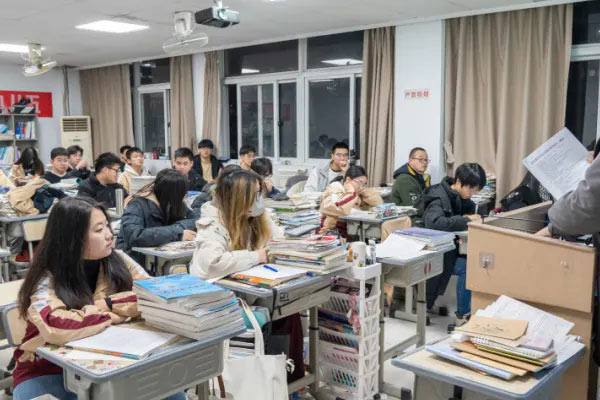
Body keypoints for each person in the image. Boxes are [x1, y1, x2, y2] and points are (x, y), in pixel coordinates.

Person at [11, 196, 185, 400]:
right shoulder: (46, 275)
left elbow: (155, 294)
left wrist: (108, 303)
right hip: (49, 368)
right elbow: (56, 326)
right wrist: (116, 315)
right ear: (73, 237)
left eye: (107, 226)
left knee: (174, 395)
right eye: (99, 230)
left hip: (111, 361)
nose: (109, 235)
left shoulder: (118, 260)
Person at [189, 168, 284, 280]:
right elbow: (213, 264)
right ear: (236, 199)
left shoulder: (258, 216)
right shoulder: (213, 223)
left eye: (259, 193)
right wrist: (256, 257)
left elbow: (278, 239)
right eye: (253, 195)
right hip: (217, 286)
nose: (258, 201)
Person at [422, 162, 486, 325]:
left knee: (475, 262)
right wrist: (465, 220)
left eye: (475, 191)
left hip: (450, 249)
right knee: (468, 267)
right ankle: (462, 316)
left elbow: (466, 214)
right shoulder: (438, 196)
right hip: (434, 252)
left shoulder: (461, 198)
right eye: (470, 190)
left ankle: (464, 312)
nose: (472, 195)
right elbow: (435, 223)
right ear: (458, 182)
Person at [117, 169, 198, 265]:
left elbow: (196, 219)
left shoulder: (174, 203)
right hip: (132, 261)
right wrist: (178, 232)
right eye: (183, 193)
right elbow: (135, 236)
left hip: (158, 259)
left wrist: (178, 229)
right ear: (172, 194)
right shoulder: (137, 205)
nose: (185, 195)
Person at [319, 165, 383, 237]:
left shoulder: (357, 195)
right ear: (348, 180)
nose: (361, 187)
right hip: (331, 234)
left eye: (364, 184)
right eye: (359, 183)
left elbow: (380, 205)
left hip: (352, 233)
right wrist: (351, 192)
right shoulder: (336, 188)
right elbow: (341, 210)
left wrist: (364, 190)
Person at [391, 147, 432, 226]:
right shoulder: (405, 179)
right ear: (410, 161)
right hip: (405, 220)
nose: (424, 162)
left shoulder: (421, 177)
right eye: (420, 159)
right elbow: (415, 207)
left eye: (426, 160)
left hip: (416, 217)